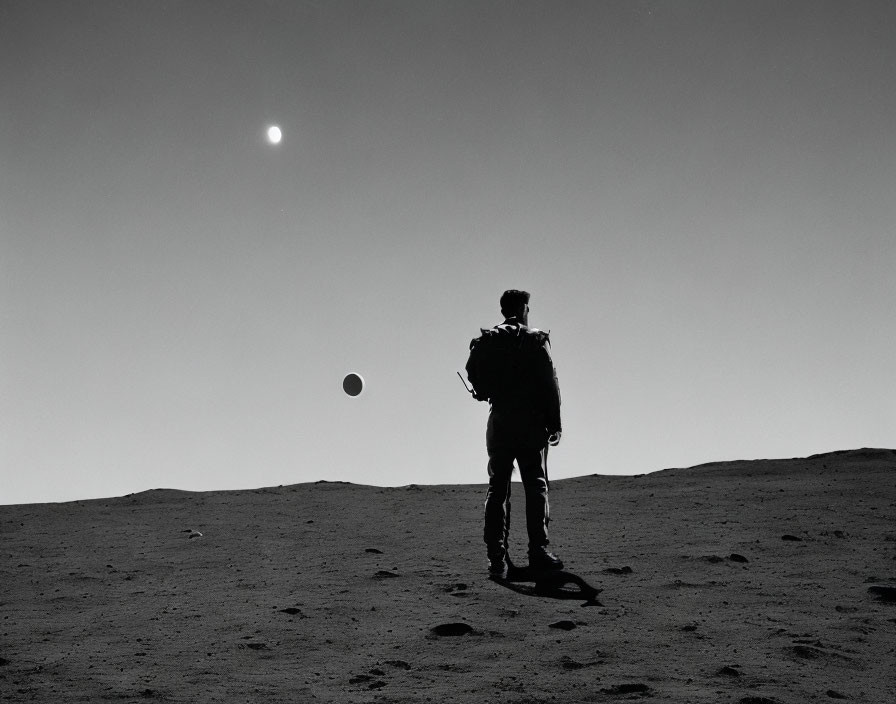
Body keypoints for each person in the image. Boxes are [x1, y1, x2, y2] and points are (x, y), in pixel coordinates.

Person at [464, 289, 563, 578]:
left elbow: (472, 370)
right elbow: (550, 383)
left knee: (498, 489)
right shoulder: (536, 339)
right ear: (523, 309)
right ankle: (539, 551)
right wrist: (555, 423)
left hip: (500, 420)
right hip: (530, 422)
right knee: (535, 485)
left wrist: (484, 391)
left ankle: (497, 558)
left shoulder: (489, 339)